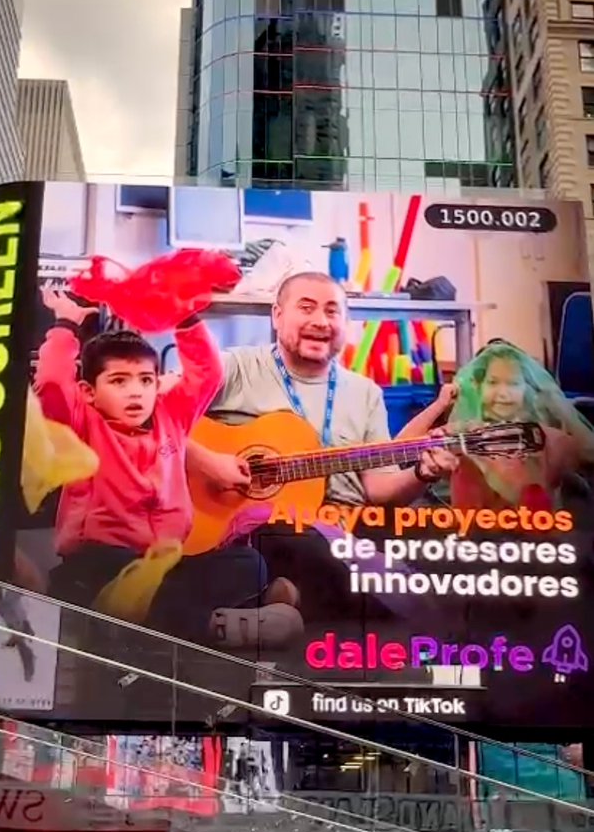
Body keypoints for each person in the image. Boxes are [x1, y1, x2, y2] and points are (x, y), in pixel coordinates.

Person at [184, 271, 459, 624]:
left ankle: (283, 603)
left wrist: (423, 472)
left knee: (449, 557)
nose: (320, 321)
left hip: (344, 531)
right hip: (258, 530)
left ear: (346, 322)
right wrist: (210, 462)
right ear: (277, 315)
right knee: (286, 533)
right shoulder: (236, 367)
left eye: (332, 311)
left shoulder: (364, 393)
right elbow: (156, 417)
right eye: (307, 307)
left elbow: (378, 489)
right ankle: (295, 602)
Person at [34, 283, 299, 646]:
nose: (134, 391)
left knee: (246, 563)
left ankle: (235, 602)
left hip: (167, 561)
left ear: (157, 384)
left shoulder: (171, 417)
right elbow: (50, 382)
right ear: (88, 392)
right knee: (115, 584)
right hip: (100, 563)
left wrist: (183, 314)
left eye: (145, 380)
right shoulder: (83, 423)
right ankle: (214, 626)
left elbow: (207, 373)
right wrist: (66, 324)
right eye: (118, 381)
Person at [447, 340, 594, 511]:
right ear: (478, 386)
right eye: (493, 382)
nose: (503, 393)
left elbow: (588, 453)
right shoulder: (463, 439)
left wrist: (555, 401)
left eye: (513, 383)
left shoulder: (550, 441)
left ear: (527, 388)